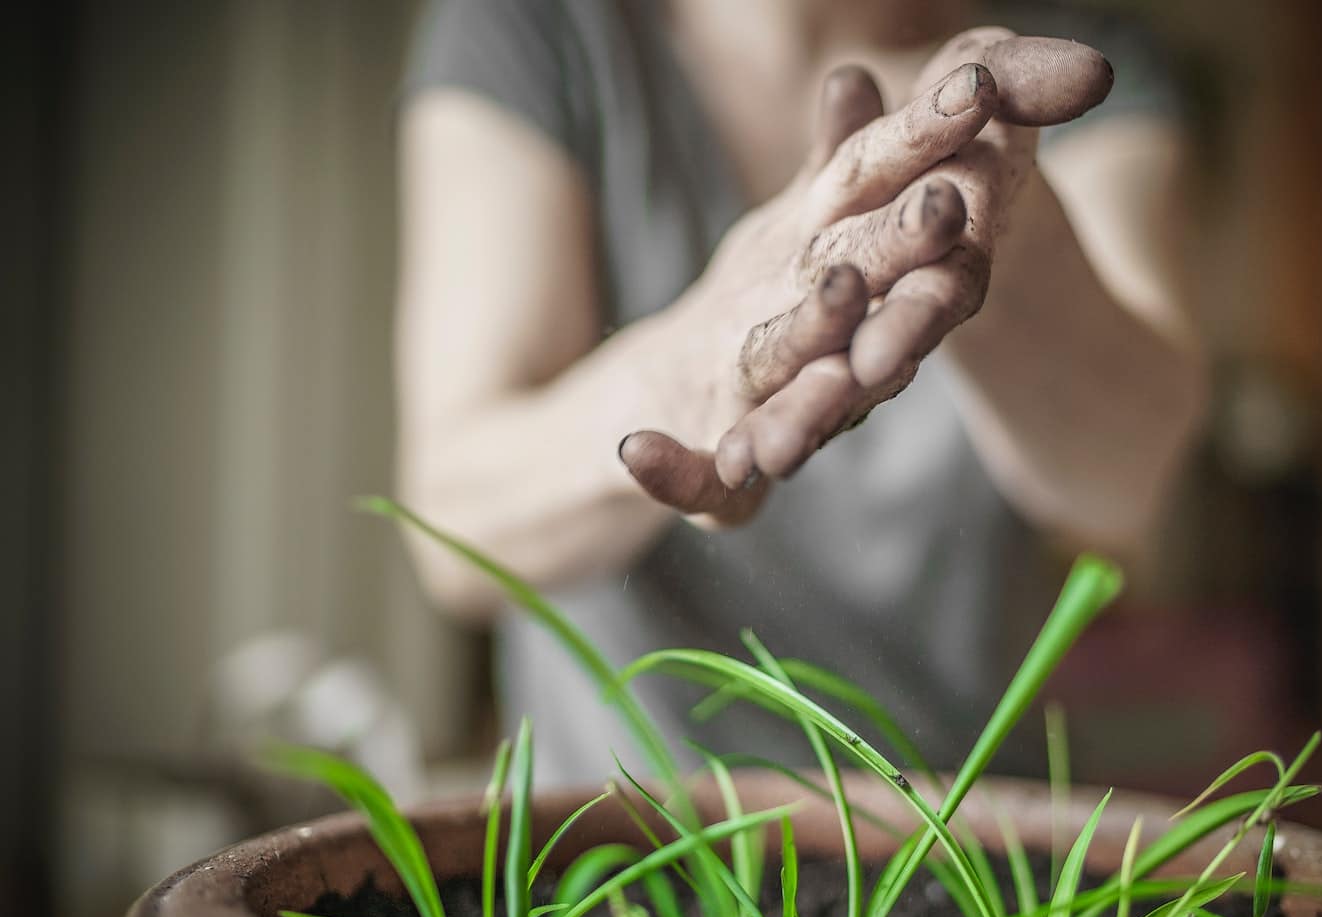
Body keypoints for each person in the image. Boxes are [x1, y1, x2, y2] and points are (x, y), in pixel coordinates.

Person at [397, 0, 1203, 787]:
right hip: (624, 836)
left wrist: (1000, 231)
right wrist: (684, 375)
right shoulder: (538, 27)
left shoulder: (1084, 45)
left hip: (964, 837)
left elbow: (1131, 482)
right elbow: (453, 522)